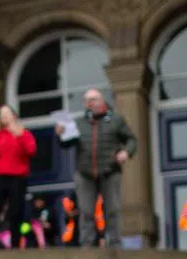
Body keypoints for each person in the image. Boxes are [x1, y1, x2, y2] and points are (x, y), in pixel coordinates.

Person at [56, 89, 138, 247]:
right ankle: (87, 244)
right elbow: (66, 144)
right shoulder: (78, 123)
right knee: (86, 211)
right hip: (85, 173)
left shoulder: (116, 120)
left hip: (110, 171)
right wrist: (60, 135)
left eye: (93, 99)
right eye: (87, 100)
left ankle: (115, 244)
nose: (89, 103)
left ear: (102, 101)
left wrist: (126, 152)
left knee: (112, 210)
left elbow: (131, 140)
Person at [0, 105, 36, 250]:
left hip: (18, 178)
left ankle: (15, 246)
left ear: (14, 116)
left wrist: (19, 135)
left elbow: (31, 150)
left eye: (6, 113)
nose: (4, 116)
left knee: (16, 212)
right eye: (1, 114)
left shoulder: (24, 133)